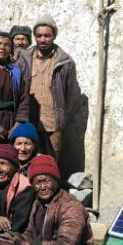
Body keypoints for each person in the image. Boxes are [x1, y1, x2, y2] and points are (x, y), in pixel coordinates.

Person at [16, 18, 81, 160]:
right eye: (39, 36)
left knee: (51, 161)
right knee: (28, 159)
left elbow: (71, 95)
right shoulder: (24, 59)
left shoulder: (65, 62)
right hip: (29, 120)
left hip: (53, 122)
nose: (42, 40)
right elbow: (16, 87)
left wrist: (61, 115)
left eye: (47, 36)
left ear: (54, 36)